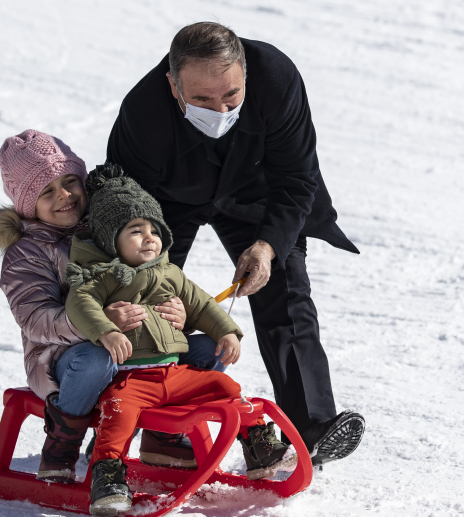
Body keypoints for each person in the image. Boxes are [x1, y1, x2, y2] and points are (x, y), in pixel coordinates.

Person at [106, 22, 364, 465]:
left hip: (255, 191)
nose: (219, 109)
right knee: (146, 297)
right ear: (173, 84)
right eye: (202, 100)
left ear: (246, 74)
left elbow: (298, 178)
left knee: (283, 287)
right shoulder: (143, 112)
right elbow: (125, 205)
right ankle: (120, 424)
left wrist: (266, 246)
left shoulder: (277, 79)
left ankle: (311, 427)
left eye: (231, 96)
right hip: (166, 201)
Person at [0, 129, 225, 483]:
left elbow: (154, 282)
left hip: (135, 347)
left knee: (207, 348)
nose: (64, 196)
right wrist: (97, 324)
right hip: (65, 358)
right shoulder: (27, 252)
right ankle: (62, 444)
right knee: (97, 359)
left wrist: (177, 315)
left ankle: (161, 437)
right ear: (27, 203)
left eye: (70, 182)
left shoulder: (109, 228)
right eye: (46, 192)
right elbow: (35, 319)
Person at [64, 165, 297, 516]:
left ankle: (260, 448)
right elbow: (79, 304)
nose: (149, 238)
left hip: (174, 375)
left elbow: (202, 304)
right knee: (116, 413)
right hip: (130, 379)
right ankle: (108, 476)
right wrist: (107, 330)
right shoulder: (101, 276)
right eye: (135, 230)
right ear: (111, 238)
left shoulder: (170, 273)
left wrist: (227, 331)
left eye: (154, 230)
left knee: (225, 385)